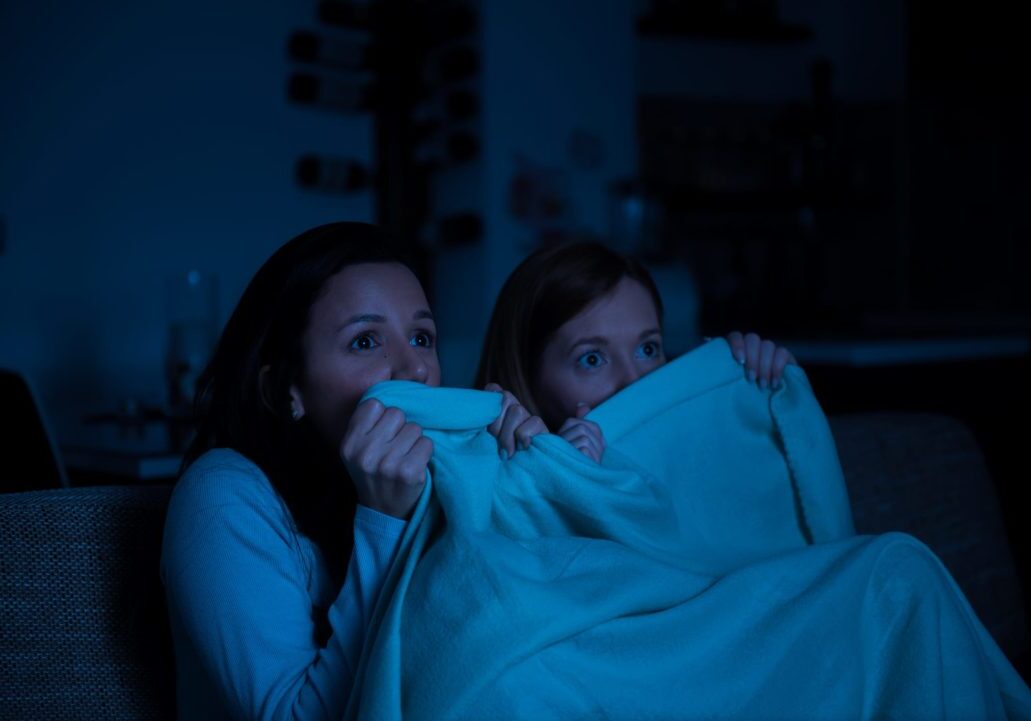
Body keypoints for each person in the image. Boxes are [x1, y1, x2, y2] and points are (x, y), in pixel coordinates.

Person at [160, 222, 545, 721]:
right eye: (366, 341)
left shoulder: (435, 480)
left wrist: (518, 489)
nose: (415, 371)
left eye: (422, 337)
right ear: (286, 389)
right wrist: (385, 523)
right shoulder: (221, 497)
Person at [474, 240, 796, 461]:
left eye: (648, 348)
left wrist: (759, 391)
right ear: (526, 379)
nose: (634, 381)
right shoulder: (497, 488)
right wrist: (573, 485)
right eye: (592, 359)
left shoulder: (689, 443)